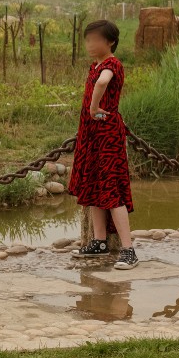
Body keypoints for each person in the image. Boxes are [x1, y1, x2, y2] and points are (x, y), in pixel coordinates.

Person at [68, 20, 138, 270]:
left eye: (95, 40)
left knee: (111, 190)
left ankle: (128, 250)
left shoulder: (111, 64)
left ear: (109, 42)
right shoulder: (95, 65)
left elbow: (102, 82)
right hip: (92, 135)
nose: (90, 44)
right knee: (96, 186)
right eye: (88, 40)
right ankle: (99, 241)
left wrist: (94, 107)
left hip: (107, 135)